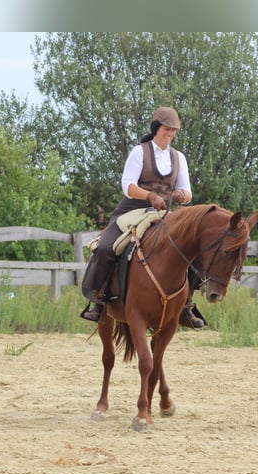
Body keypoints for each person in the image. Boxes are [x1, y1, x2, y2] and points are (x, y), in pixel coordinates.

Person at [80, 106, 207, 329]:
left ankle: (186, 306)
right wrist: (149, 195)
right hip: (132, 210)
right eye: (167, 129)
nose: (171, 134)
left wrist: (181, 195)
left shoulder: (179, 158)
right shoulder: (139, 152)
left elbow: (187, 191)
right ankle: (98, 301)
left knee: (193, 253)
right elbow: (127, 185)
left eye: (174, 130)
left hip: (163, 215)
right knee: (106, 248)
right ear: (157, 128)